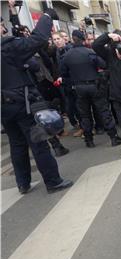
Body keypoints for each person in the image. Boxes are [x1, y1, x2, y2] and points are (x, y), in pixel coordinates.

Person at [1, 7, 73, 194]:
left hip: (4, 107)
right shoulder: (7, 47)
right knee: (38, 141)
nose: (3, 28)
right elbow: (38, 38)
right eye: (1, 25)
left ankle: (23, 183)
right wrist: (47, 15)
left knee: (17, 144)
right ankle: (53, 181)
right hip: (20, 102)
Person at [60, 30, 121, 148]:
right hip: (94, 85)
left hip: (78, 87)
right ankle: (114, 137)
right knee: (104, 111)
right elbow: (102, 65)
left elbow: (64, 73)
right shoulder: (90, 52)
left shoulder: (66, 56)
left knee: (84, 114)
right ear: (83, 39)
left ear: (72, 39)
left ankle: (89, 140)